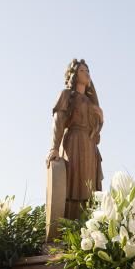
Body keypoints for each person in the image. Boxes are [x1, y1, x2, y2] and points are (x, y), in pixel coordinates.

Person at [46, 59, 103, 230]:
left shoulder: (92, 103)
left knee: (90, 188)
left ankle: (89, 229)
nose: (86, 74)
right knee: (73, 184)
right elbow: (59, 121)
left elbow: (97, 135)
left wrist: (99, 118)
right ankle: (68, 227)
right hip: (74, 143)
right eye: (82, 71)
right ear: (74, 75)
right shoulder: (66, 95)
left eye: (87, 71)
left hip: (90, 147)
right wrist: (54, 147)